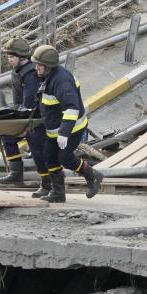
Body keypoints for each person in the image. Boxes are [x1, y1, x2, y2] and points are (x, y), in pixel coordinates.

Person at [32, 44, 103, 203]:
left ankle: (93, 176)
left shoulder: (61, 81)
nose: (36, 67)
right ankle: (58, 193)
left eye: (39, 64)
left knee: (64, 158)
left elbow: (72, 108)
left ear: (48, 66)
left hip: (72, 129)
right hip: (55, 129)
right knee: (49, 156)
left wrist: (64, 133)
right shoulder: (48, 76)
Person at [0, 36, 51, 198]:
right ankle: (16, 174)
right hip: (27, 115)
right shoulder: (19, 71)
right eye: (8, 56)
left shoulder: (31, 74)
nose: (9, 59)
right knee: (7, 135)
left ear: (22, 58)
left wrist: (25, 127)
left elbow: (31, 102)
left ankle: (47, 183)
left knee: (37, 149)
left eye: (12, 57)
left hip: (38, 118)